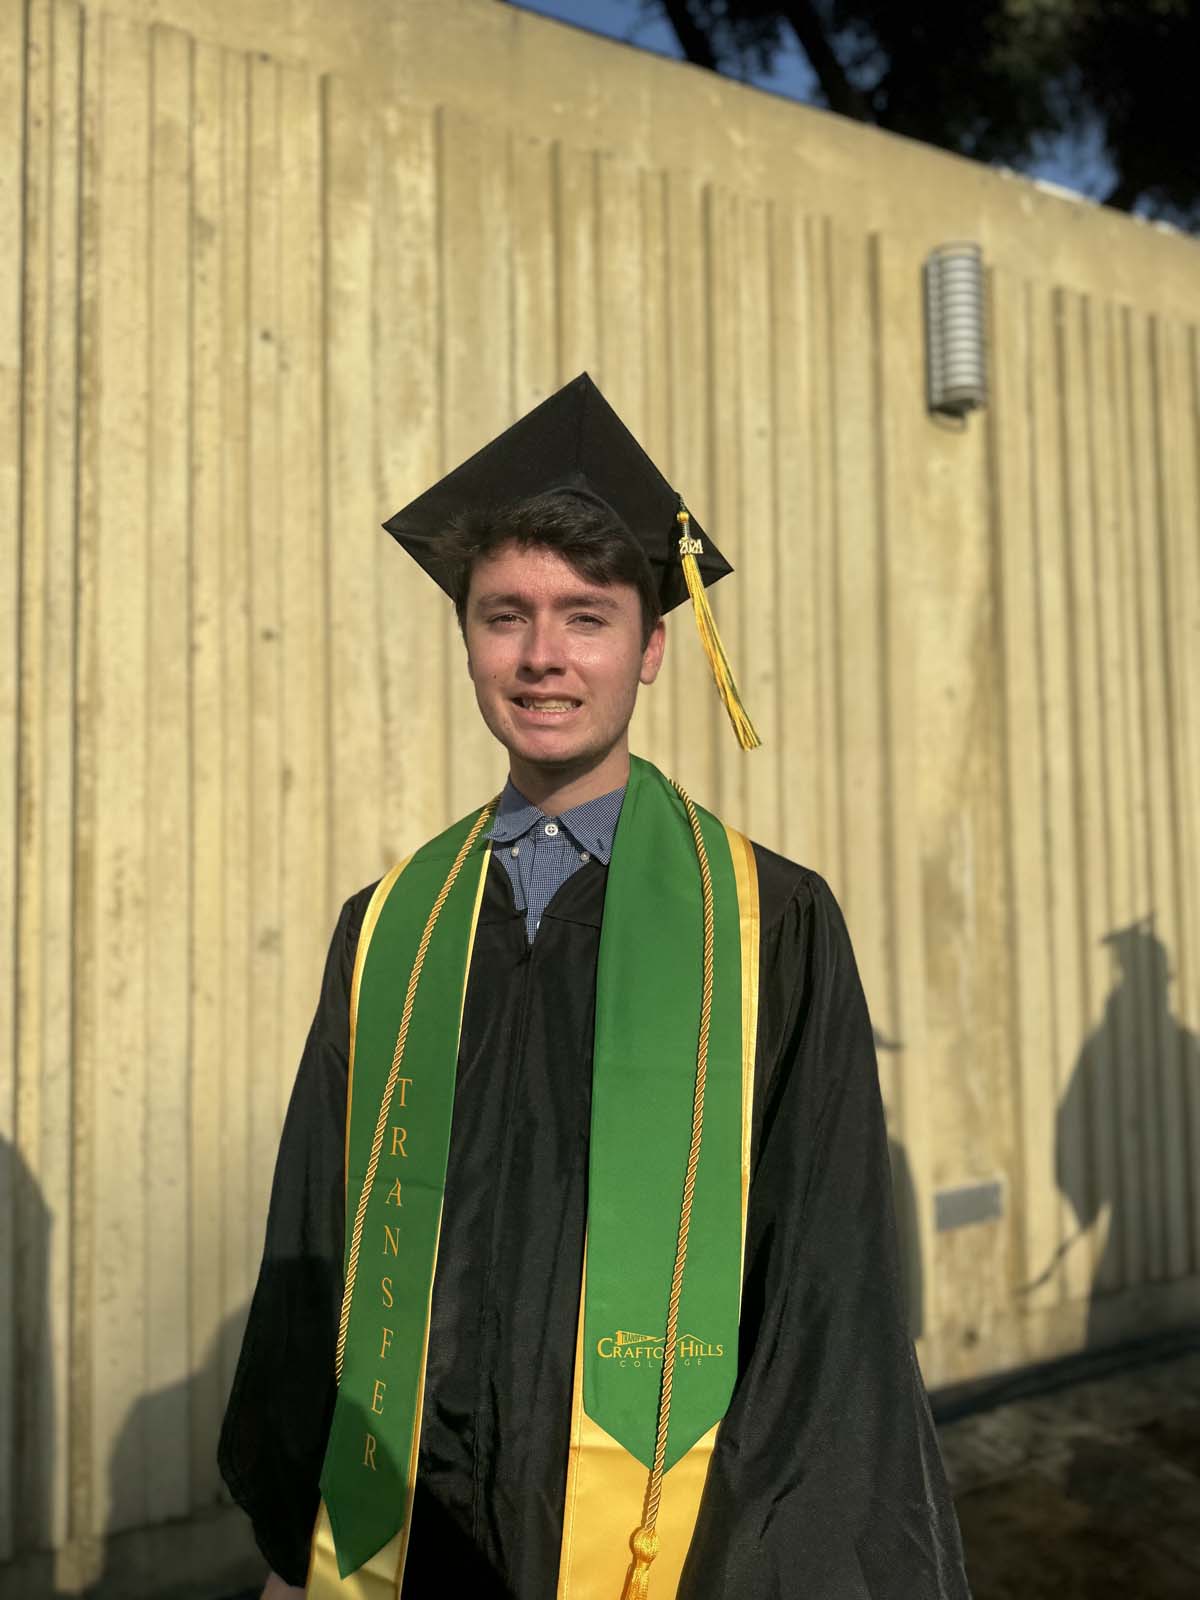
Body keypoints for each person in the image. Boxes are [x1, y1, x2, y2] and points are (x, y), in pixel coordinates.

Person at [219, 374, 971, 1599]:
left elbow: (825, 1286)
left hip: (672, 1549)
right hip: (414, 1533)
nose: (543, 655)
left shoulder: (769, 924)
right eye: (505, 615)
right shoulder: (390, 931)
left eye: (587, 616)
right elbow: (317, 1238)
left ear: (654, 644)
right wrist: (297, 1538)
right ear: (465, 638)